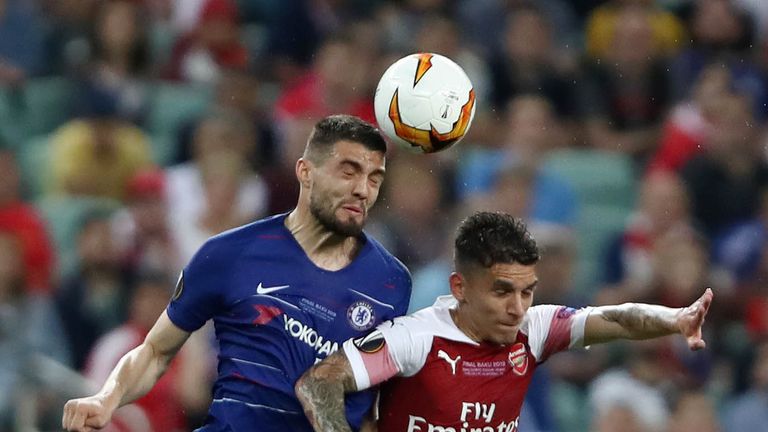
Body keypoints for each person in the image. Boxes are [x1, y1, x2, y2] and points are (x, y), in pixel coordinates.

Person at [62, 114, 412, 431]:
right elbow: (155, 351)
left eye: (374, 178)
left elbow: (370, 406)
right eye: (348, 171)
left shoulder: (391, 283)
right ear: (305, 171)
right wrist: (106, 398)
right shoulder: (230, 254)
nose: (362, 190)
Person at [295, 211, 713, 432]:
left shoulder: (535, 329)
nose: (517, 307)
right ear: (460, 287)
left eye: (527, 291)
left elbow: (616, 320)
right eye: (501, 292)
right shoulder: (415, 339)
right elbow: (319, 382)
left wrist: (675, 319)